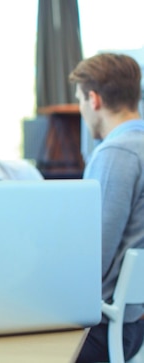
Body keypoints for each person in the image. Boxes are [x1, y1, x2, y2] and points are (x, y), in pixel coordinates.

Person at [69, 53, 144, 362]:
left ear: (94, 99)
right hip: (134, 320)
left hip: (108, 327)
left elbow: (93, 257)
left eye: (80, 101)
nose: (82, 112)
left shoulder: (116, 153)